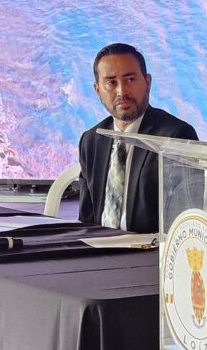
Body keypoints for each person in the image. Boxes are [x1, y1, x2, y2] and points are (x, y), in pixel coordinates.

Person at [78, 42, 198, 233]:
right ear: (97, 89)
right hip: (99, 252)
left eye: (130, 79)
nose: (122, 91)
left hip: (149, 253)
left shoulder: (176, 136)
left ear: (147, 81)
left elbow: (185, 222)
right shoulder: (91, 140)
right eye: (111, 82)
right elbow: (85, 220)